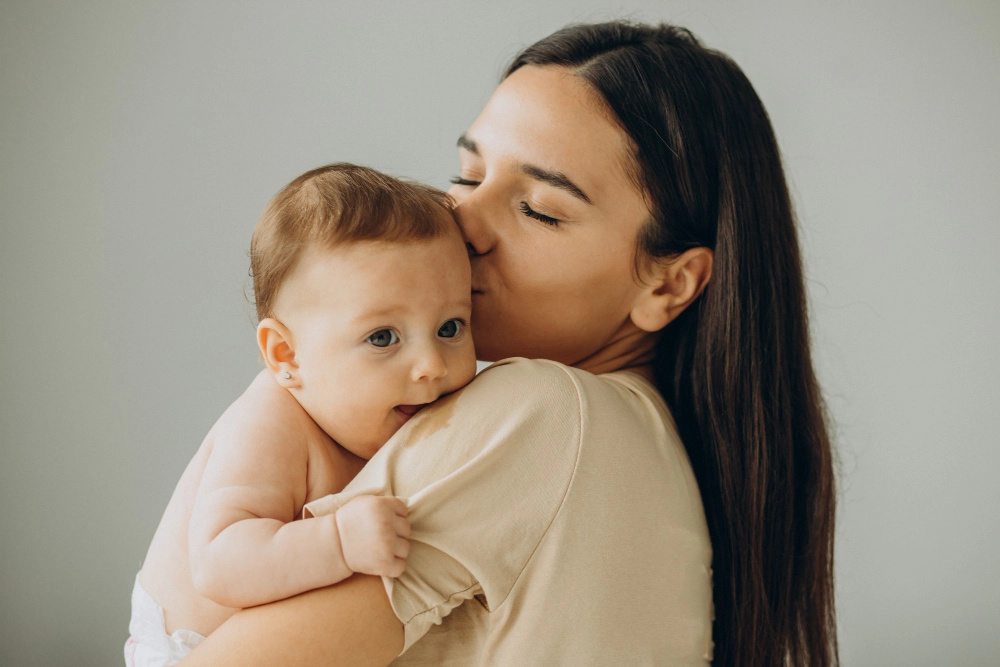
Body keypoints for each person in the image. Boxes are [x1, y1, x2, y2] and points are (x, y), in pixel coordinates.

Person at [179, 20, 838, 667]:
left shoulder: (546, 414)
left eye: (540, 209)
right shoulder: (645, 444)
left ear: (670, 284)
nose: (461, 223)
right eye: (467, 176)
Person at [127, 164, 477, 666]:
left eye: (450, 327)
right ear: (287, 356)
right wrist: (337, 540)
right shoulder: (271, 424)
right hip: (190, 648)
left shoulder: (397, 414)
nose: (431, 365)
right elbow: (219, 563)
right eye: (383, 337)